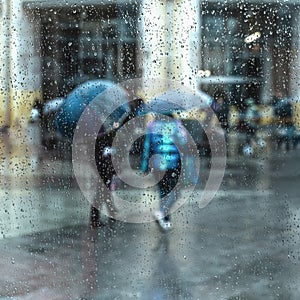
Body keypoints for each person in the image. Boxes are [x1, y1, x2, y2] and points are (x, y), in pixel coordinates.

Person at [140, 112, 187, 231]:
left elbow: (147, 146)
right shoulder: (176, 125)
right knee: (176, 192)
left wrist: (144, 166)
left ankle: (164, 218)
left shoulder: (152, 125)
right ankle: (163, 215)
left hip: (157, 165)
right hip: (173, 163)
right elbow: (183, 142)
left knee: (164, 192)